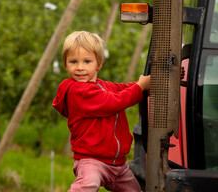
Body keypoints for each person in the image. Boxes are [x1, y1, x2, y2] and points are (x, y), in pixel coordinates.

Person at [52, 31, 150, 192]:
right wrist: (141, 86)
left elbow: (123, 89)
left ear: (99, 63)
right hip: (92, 161)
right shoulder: (77, 91)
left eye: (87, 61)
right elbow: (114, 102)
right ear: (65, 64)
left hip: (118, 164)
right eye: (73, 61)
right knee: (86, 186)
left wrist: (144, 83)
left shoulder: (104, 86)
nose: (80, 67)